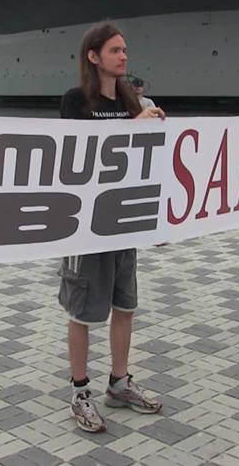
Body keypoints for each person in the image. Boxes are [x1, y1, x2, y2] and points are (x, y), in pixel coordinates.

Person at [59, 24, 166, 433]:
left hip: (124, 221)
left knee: (125, 306)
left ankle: (119, 381)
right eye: (115, 50)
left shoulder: (130, 100)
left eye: (125, 50)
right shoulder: (76, 101)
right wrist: (134, 124)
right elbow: (77, 153)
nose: (123, 56)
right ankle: (79, 390)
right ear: (93, 56)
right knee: (81, 312)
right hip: (86, 224)